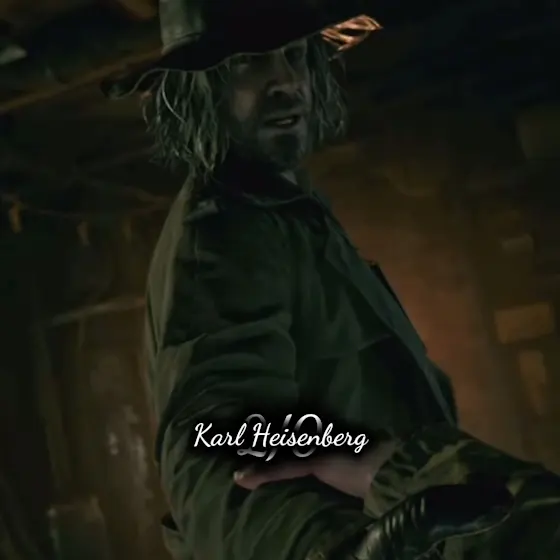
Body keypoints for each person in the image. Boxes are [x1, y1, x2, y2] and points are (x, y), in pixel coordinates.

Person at [130, 0, 518, 558]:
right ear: (199, 90)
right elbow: (218, 447)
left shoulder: (291, 213)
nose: (285, 81)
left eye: (293, 54)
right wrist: (333, 549)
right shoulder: (222, 235)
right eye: (248, 62)